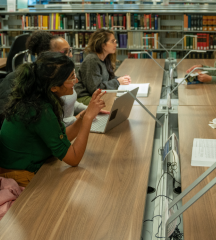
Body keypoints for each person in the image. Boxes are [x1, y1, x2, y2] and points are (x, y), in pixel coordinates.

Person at [0, 52, 106, 187]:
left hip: (25, 166)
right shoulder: (40, 109)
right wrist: (88, 119)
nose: (76, 81)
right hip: (20, 174)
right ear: (54, 87)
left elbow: (60, 137)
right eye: (71, 77)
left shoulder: (37, 98)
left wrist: (85, 115)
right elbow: (74, 158)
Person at [0, 31, 98, 128]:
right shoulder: (42, 83)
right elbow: (54, 123)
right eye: (65, 51)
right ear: (48, 54)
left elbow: (69, 104)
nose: (70, 55)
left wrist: (88, 111)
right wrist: (83, 117)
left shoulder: (59, 75)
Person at [75, 29, 131, 105]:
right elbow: (95, 89)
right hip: (85, 97)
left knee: (124, 100)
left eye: (115, 41)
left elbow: (109, 79)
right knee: (118, 103)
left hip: (96, 96)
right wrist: (118, 82)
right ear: (103, 45)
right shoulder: (92, 60)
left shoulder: (105, 58)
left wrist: (121, 79)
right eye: (112, 41)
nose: (116, 44)